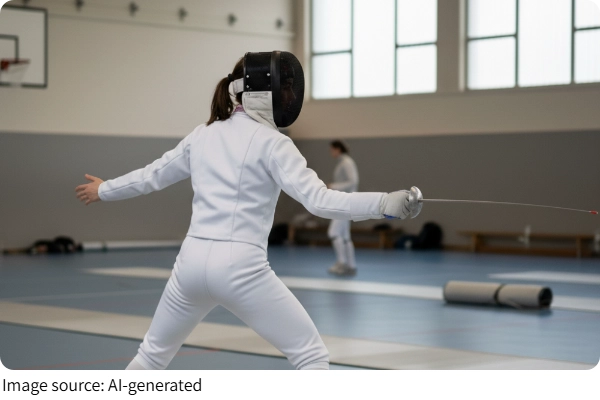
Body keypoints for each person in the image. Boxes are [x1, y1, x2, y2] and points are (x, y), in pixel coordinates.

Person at [75, 51, 420, 371]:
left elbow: (151, 176)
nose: (289, 96)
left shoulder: (202, 135)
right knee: (311, 355)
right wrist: (384, 203)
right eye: (284, 88)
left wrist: (104, 189)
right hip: (239, 267)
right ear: (261, 92)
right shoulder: (274, 143)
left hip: (190, 265)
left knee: (151, 357)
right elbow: (319, 200)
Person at [327, 140, 359, 276]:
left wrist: (333, 186)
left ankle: (342, 262)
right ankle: (351, 265)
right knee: (345, 236)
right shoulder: (343, 162)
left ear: (338, 149)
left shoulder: (347, 162)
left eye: (332, 149)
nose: (331, 152)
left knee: (333, 233)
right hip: (346, 201)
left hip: (346, 202)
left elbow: (353, 181)